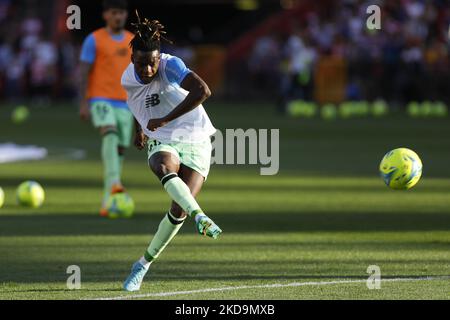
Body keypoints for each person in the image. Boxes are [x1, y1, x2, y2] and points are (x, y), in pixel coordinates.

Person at [121, 13, 222, 292]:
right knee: (162, 166)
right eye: (142, 64)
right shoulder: (127, 79)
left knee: (178, 209)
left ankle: (142, 263)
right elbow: (137, 103)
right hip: (163, 139)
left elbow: (203, 91)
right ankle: (201, 216)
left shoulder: (172, 66)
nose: (148, 70)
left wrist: (164, 119)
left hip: (197, 137)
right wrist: (140, 130)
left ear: (159, 57)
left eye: (152, 63)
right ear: (132, 61)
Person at [79, 0, 134, 216]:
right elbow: (83, 72)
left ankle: (107, 201)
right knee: (109, 134)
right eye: (114, 13)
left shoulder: (132, 41)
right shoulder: (93, 40)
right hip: (100, 99)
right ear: (106, 15)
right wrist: (83, 102)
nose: (118, 17)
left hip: (125, 103)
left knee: (119, 150)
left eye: (121, 13)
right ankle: (115, 182)